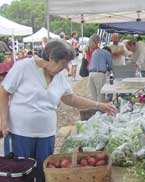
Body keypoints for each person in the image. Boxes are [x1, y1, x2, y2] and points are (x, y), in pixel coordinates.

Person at [0, 39, 117, 182]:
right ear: (50, 58)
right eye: (63, 63)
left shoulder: (58, 77)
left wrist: (99, 105)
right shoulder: (23, 67)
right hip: (20, 134)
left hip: (46, 135)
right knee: (20, 175)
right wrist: (3, 121)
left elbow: (71, 99)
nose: (67, 67)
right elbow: (4, 91)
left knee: (44, 174)